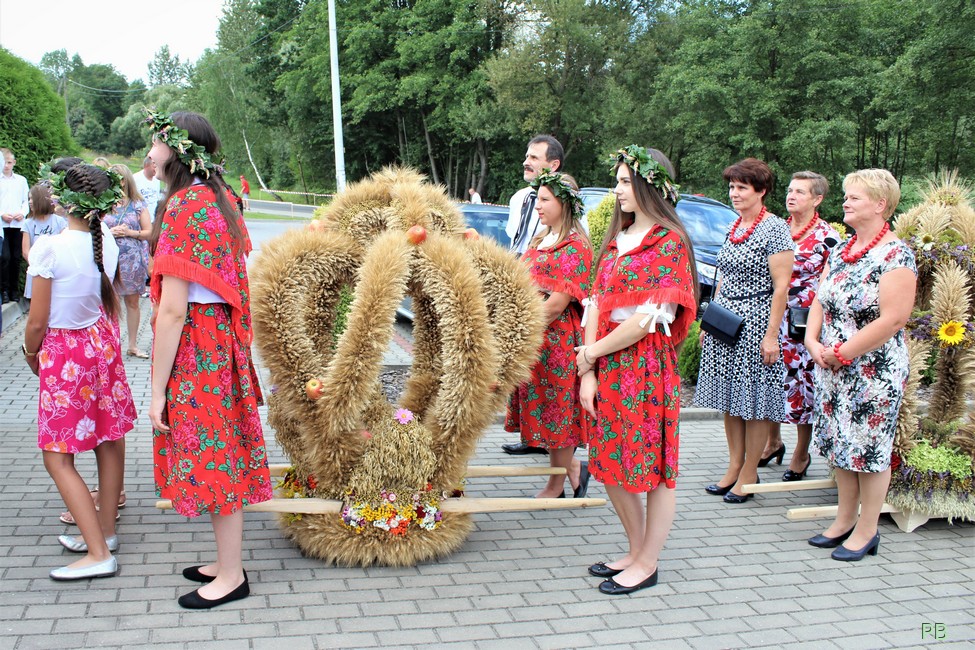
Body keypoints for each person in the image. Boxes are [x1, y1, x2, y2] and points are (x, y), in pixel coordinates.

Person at [146, 108, 272, 609]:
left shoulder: (183, 206)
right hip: (221, 343)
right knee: (223, 452)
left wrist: (156, 390)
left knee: (215, 459)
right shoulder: (219, 197)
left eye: (156, 144)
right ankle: (226, 562)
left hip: (198, 348)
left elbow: (173, 310)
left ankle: (232, 576)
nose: (150, 154)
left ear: (178, 151)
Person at [576, 145, 698, 595]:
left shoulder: (669, 242)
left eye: (626, 181)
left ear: (650, 185)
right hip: (606, 363)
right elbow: (594, 304)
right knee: (608, 458)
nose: (618, 190)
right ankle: (634, 549)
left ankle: (648, 562)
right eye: (618, 181)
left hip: (645, 367)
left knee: (653, 464)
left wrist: (591, 354)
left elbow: (649, 318)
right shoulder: (616, 240)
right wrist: (588, 369)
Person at [23, 159, 136, 581]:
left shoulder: (49, 248)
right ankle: (105, 532)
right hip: (99, 343)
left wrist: (29, 353)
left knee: (57, 454)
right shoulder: (106, 240)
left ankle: (98, 554)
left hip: (66, 353)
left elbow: (37, 322)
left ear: (64, 199)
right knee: (108, 438)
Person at [805, 169, 915, 561]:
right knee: (840, 443)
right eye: (846, 196)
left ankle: (867, 531)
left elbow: (893, 319)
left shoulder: (896, 254)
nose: (845, 202)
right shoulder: (841, 249)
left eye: (854, 197)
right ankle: (843, 520)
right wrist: (812, 341)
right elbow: (820, 299)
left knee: (869, 449)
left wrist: (843, 352)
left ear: (880, 204)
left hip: (873, 370)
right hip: (832, 365)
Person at [697, 158, 794, 503]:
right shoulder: (734, 225)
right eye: (731, 187)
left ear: (761, 191)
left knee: (753, 400)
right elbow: (723, 276)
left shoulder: (775, 228)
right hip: (726, 321)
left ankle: (750, 473)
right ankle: (734, 465)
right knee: (729, 397)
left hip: (756, 321)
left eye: (742, 187)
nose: (734, 193)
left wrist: (771, 335)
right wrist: (711, 322)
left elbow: (781, 288)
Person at [504, 171, 592, 497]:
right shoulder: (541, 238)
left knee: (560, 414)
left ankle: (556, 485)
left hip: (558, 341)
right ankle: (574, 470)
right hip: (535, 338)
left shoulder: (576, 246)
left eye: (544, 199)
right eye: (537, 198)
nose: (537, 205)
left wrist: (519, 325)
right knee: (546, 411)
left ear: (564, 203)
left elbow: (556, 305)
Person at [763, 172, 839, 481]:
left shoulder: (827, 237)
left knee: (801, 387)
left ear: (817, 199)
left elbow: (831, 286)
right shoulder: (777, 229)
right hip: (772, 318)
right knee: (771, 380)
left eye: (800, 192)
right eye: (790, 190)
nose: (791, 196)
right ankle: (772, 442)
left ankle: (801, 452)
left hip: (803, 323)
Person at [502, 135, 564, 456]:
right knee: (525, 371)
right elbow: (515, 242)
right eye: (527, 156)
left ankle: (552, 444)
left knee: (545, 373)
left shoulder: (566, 203)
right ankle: (531, 435)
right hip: (519, 283)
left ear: (553, 165)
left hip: (546, 293)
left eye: (534, 158)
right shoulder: (518, 199)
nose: (526, 162)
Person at [105, 164, 152, 359]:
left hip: (132, 261)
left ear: (125, 181)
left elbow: (149, 232)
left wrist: (130, 232)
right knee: (110, 302)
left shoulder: (138, 204)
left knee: (132, 302)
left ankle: (132, 344)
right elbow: (92, 228)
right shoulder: (103, 202)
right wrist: (109, 232)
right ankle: (111, 344)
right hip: (109, 259)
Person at [22, 182, 68, 303]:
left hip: (56, 272)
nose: (29, 202)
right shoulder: (28, 223)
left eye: (32, 198)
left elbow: (64, 246)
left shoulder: (59, 222)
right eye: (28, 199)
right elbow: (25, 251)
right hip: (36, 270)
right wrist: (38, 267)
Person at [1, 148, 30, 303]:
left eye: (9, 162)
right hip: (2, 224)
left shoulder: (21, 180)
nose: (6, 166)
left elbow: (26, 201)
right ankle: (4, 290)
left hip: (18, 224)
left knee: (16, 257)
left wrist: (22, 213)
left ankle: (14, 290)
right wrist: (2, 214)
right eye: (4, 162)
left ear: (14, 163)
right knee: (4, 257)